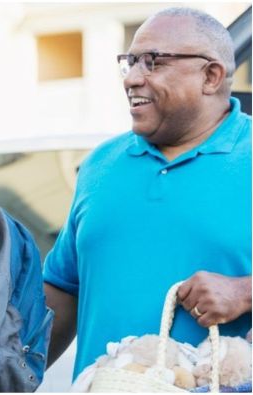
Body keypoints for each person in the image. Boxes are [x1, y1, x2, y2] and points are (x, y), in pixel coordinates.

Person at [43, 7, 252, 381]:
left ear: (211, 76)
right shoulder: (100, 164)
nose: (132, 79)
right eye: (130, 62)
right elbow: (63, 290)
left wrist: (245, 292)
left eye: (153, 63)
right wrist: (5, 374)